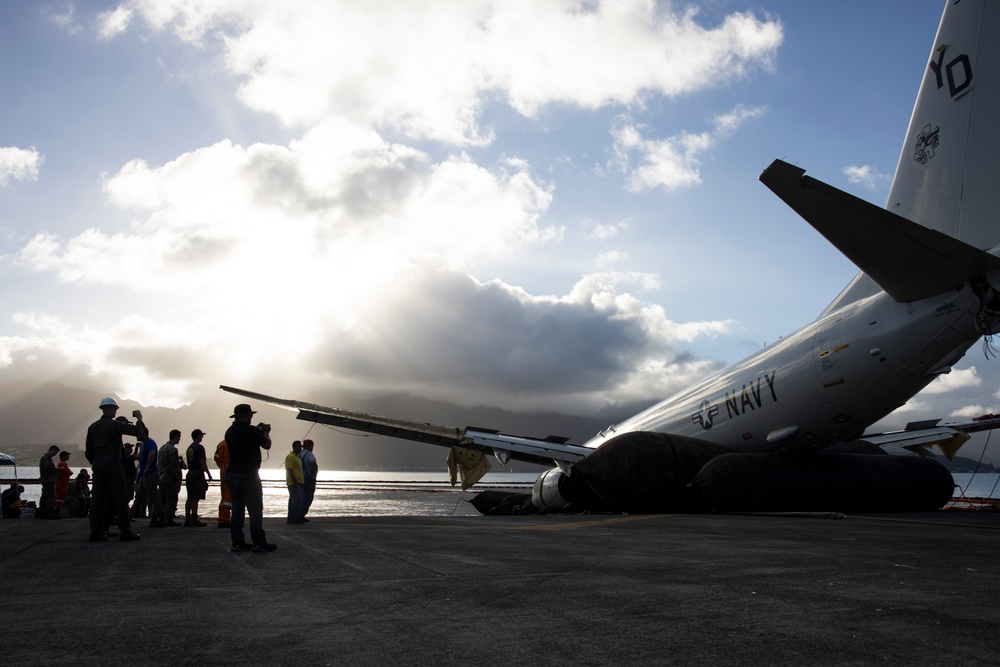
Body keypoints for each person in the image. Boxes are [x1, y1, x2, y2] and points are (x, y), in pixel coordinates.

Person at [85, 397, 143, 542]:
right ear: (111, 409)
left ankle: (96, 532)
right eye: (115, 409)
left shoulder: (92, 427)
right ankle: (126, 532)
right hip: (113, 463)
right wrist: (139, 419)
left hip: (98, 464)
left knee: (96, 501)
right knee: (120, 498)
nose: (116, 411)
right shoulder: (115, 425)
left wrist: (96, 462)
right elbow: (137, 432)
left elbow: (88, 451)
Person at [224, 403, 276, 552]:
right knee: (255, 511)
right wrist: (265, 432)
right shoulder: (252, 431)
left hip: (232, 475)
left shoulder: (229, 432)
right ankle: (258, 543)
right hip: (249, 476)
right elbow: (267, 445)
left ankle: (237, 542)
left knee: (237, 512)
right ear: (248, 416)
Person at [131, 424, 168, 528]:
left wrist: (147, 468)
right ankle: (128, 516)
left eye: (138, 434)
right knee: (139, 497)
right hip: (144, 475)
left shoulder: (149, 442)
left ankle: (162, 519)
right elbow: (141, 457)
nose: (136, 436)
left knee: (155, 498)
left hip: (150, 474)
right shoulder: (144, 444)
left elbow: (152, 454)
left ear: (144, 434)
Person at [184, 429, 212, 526]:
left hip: (190, 473)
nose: (202, 437)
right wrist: (208, 473)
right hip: (197, 474)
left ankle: (187, 518)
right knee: (196, 497)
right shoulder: (199, 447)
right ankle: (194, 518)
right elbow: (202, 461)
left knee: (190, 497)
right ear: (198, 436)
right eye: (201, 436)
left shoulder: (189, 448)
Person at [158, 429, 186, 525]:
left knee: (161, 500)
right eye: (179, 437)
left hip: (161, 478)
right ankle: (169, 518)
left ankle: (157, 518)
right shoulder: (173, 450)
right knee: (171, 500)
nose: (179, 440)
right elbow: (174, 467)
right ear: (176, 437)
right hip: (170, 479)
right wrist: (177, 479)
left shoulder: (162, 448)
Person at [285, 440, 305, 524]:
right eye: (299, 446)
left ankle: (291, 518)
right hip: (294, 483)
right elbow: (289, 469)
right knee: (297, 500)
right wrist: (295, 480)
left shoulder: (297, 457)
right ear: (294, 447)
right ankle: (294, 518)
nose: (300, 448)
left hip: (298, 482)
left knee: (293, 501)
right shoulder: (290, 457)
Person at [37, 445, 60, 519]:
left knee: (44, 497)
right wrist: (57, 469)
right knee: (51, 497)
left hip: (47, 481)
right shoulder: (46, 459)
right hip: (48, 481)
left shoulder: (47, 459)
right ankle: (51, 513)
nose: (55, 455)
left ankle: (43, 513)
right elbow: (48, 468)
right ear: (52, 450)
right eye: (55, 453)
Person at [213, 440, 231, 528]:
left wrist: (222, 468)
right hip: (231, 469)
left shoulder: (220, 444)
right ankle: (224, 519)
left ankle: (222, 517)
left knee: (224, 495)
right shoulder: (234, 442)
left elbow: (216, 458)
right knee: (228, 496)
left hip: (223, 470)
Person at [300, 438, 318, 521]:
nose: (312, 448)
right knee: (308, 497)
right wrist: (314, 474)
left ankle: (299, 514)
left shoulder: (299, 454)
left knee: (301, 497)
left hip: (300, 478)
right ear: (309, 446)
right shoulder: (310, 454)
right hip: (308, 478)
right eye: (312, 446)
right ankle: (302, 514)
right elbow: (312, 463)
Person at [55, 450, 73, 515]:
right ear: (64, 456)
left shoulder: (61, 464)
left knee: (60, 499)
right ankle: (57, 512)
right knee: (60, 499)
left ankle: (57, 512)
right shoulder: (62, 464)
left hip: (62, 484)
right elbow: (69, 472)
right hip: (62, 485)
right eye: (67, 455)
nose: (68, 456)